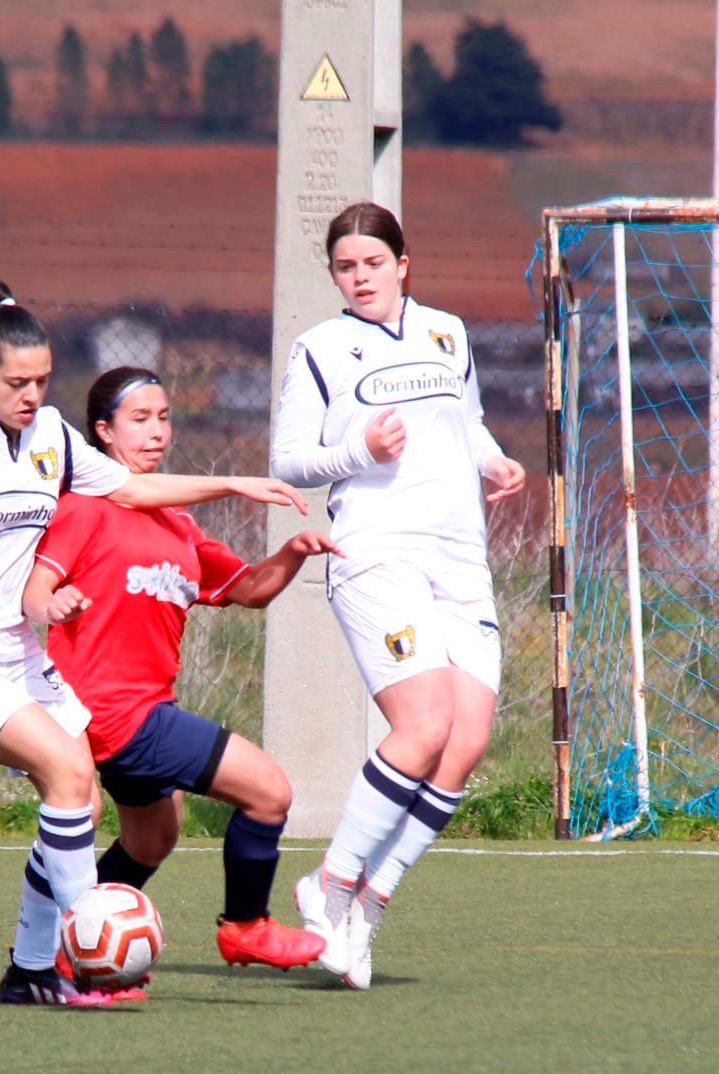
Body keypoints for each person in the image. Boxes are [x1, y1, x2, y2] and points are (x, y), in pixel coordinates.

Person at [0, 270, 307, 1008]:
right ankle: (85, 962)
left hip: (15, 656)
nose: (30, 394)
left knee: (80, 801)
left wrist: (234, 485)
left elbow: (129, 488)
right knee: (65, 773)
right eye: (16, 381)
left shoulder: (54, 436)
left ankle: (29, 971)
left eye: (42, 379)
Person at [269, 202, 528, 990]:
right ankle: (331, 882)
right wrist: (358, 448)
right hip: (375, 551)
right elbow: (287, 459)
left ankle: (368, 906)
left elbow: (467, 422)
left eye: (371, 264)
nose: (359, 278)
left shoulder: (447, 331)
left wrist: (493, 460)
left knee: (465, 741)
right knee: (422, 725)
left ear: (402, 263)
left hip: (458, 555)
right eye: (345, 268)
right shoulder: (319, 348)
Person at [22, 366, 339, 973]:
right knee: (269, 790)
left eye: (163, 417)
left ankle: (72, 945)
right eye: (139, 419)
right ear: (103, 433)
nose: (156, 432)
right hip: (113, 714)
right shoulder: (85, 509)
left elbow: (249, 590)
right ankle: (246, 927)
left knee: (152, 838)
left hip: (146, 710)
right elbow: (38, 590)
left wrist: (294, 553)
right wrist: (50, 603)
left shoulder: (178, 524)